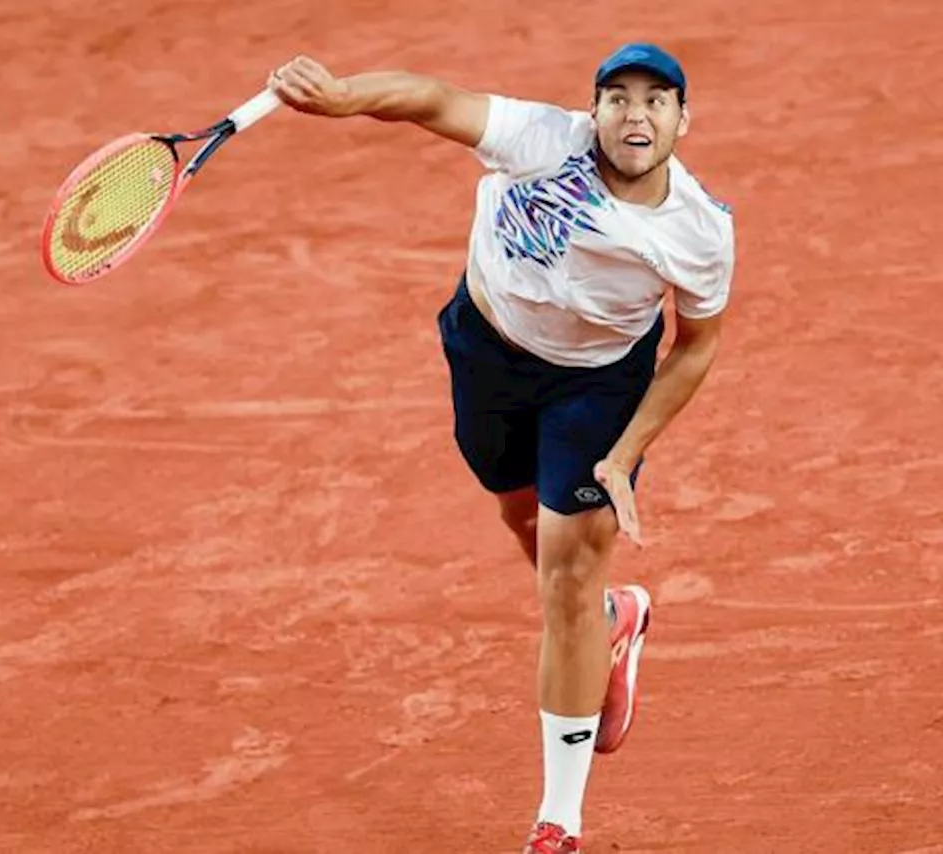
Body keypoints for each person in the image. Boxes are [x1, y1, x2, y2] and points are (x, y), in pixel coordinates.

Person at [267, 42, 735, 853]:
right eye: (617, 98)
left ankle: (560, 819)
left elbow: (696, 344)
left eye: (656, 101)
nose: (635, 114)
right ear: (594, 113)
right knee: (518, 515)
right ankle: (613, 621)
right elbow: (431, 98)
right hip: (486, 351)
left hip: (595, 386)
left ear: (682, 120)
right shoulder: (544, 139)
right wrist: (343, 97)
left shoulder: (699, 231)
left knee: (565, 573)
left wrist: (625, 453)